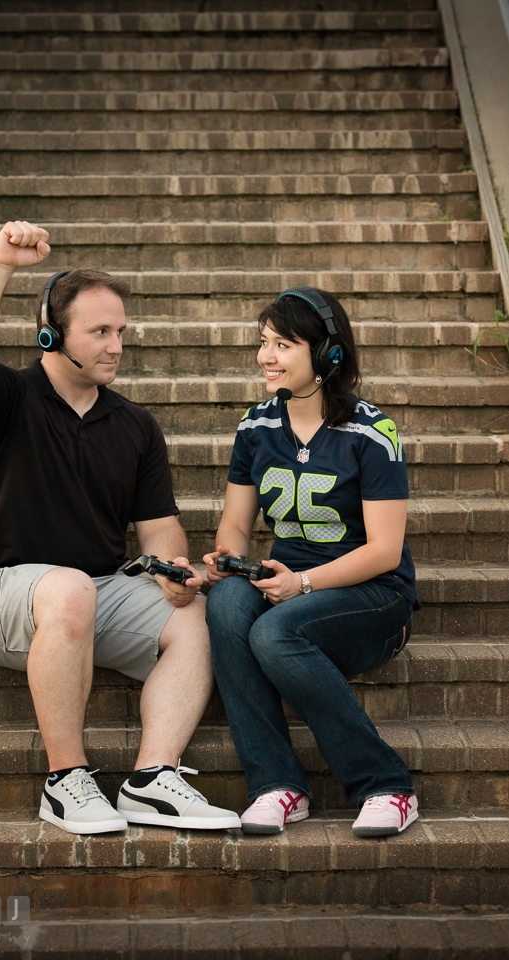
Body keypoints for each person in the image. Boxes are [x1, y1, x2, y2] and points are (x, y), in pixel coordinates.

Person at [0, 220, 240, 835]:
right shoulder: (8, 399)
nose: (116, 345)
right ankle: (65, 782)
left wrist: (172, 572)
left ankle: (154, 779)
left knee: (197, 614)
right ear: (52, 335)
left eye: (121, 332)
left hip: (91, 594)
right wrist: (1, 264)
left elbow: (159, 530)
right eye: (99, 331)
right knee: (69, 586)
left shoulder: (134, 426)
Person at [203, 286, 420, 837]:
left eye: (282, 344)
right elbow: (236, 522)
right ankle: (277, 785)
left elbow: (384, 550)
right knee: (227, 602)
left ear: (328, 355)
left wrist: (303, 582)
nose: (265, 357)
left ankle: (386, 786)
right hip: (290, 585)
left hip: (373, 596)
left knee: (275, 632)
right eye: (263, 342)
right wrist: (230, 557)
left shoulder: (372, 431)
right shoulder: (256, 426)